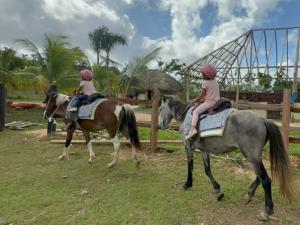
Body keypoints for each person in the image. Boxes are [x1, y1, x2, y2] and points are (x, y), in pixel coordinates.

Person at [185, 64, 220, 140]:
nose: (202, 75)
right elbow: (210, 94)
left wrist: (195, 100)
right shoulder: (215, 82)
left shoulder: (205, 83)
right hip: (217, 102)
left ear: (206, 74)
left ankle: (192, 129)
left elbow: (201, 95)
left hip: (209, 103)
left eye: (203, 73)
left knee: (195, 112)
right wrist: (203, 100)